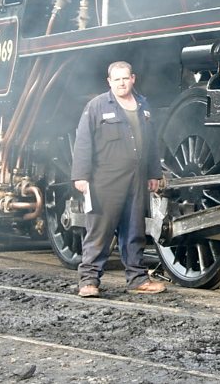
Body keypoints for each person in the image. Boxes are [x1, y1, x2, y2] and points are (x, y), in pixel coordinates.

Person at [72, 61, 166, 297]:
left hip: (136, 178)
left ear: (133, 78)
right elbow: (83, 141)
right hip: (105, 179)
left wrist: (154, 172)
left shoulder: (143, 105)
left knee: (134, 230)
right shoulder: (96, 106)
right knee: (100, 230)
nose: (122, 83)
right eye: (117, 79)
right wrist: (81, 175)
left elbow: (152, 142)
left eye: (125, 78)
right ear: (109, 82)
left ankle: (137, 279)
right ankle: (89, 281)